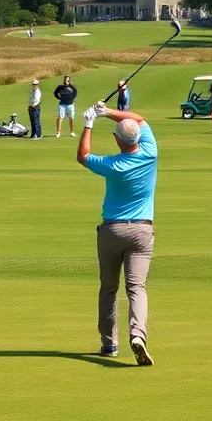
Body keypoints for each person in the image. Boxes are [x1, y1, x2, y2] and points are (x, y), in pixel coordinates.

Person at [77, 101, 157, 366]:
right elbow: (139, 119)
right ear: (138, 138)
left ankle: (109, 343)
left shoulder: (113, 165)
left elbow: (83, 156)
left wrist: (90, 122)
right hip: (142, 231)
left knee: (109, 288)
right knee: (136, 287)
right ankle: (138, 335)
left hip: (112, 230)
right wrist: (108, 112)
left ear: (116, 139)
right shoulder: (150, 152)